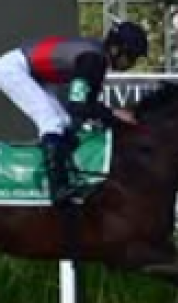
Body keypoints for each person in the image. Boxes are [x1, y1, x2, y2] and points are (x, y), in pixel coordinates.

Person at [0, 19, 148, 205]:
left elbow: (85, 108)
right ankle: (57, 187)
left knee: (64, 123)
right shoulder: (93, 59)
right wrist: (114, 115)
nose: (132, 63)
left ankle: (63, 174)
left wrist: (110, 116)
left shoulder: (97, 58)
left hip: (35, 73)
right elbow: (78, 106)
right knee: (51, 122)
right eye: (132, 56)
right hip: (14, 69)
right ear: (117, 49)